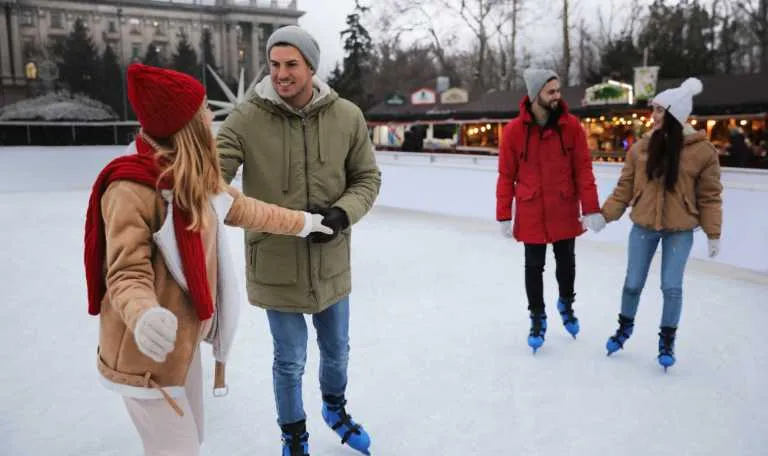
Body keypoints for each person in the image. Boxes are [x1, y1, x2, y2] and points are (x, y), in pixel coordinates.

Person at [84, 63, 333, 456]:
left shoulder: (196, 181)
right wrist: (144, 314)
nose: (210, 115)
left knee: (187, 443)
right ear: (184, 125)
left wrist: (306, 223)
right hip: (144, 353)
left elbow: (251, 211)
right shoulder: (131, 188)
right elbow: (125, 273)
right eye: (201, 110)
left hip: (182, 344)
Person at [216, 25, 381, 456]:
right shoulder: (246, 117)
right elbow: (214, 173)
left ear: (311, 66)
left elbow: (367, 177)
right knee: (289, 361)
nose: (281, 74)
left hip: (331, 262)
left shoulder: (346, 116)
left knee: (337, 351)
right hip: (276, 263)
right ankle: (293, 436)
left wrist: (344, 213)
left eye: (291, 65)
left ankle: (335, 409)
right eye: (274, 65)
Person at [601, 77, 723, 370]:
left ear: (674, 114)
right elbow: (625, 188)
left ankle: (666, 341)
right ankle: (624, 328)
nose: (652, 116)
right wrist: (604, 215)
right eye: (652, 109)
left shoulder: (702, 152)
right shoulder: (640, 149)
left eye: (658, 110)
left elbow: (709, 196)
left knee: (671, 287)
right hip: (643, 225)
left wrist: (713, 232)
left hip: (679, 230)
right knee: (632, 284)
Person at [495, 68, 603, 354]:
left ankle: (566, 304)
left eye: (558, 91)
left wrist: (591, 208)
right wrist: (504, 214)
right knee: (534, 266)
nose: (557, 96)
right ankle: (537, 317)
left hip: (564, 205)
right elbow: (506, 176)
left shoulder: (571, 127)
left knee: (566, 263)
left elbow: (583, 170)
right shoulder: (514, 132)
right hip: (531, 209)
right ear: (535, 94)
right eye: (551, 91)